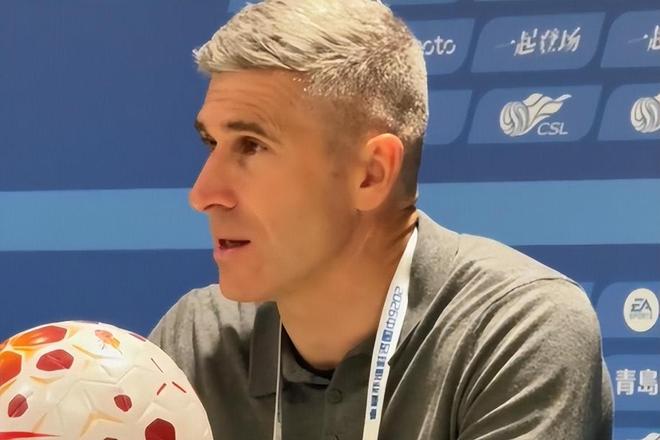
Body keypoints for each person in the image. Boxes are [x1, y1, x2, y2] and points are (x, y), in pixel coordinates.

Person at [148, 1, 613, 439]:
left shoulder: (516, 329)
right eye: (212, 144)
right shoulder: (196, 336)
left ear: (371, 174)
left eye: (252, 146)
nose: (203, 194)